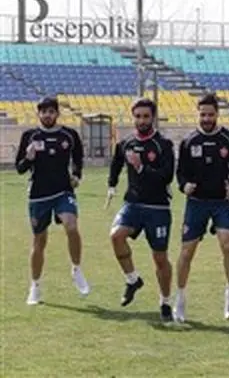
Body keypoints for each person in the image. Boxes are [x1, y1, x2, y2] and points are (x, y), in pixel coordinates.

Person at [174, 94, 229, 323]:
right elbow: (180, 173)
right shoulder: (189, 141)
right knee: (187, 252)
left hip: (222, 202)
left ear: (217, 114)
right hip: (197, 203)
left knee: (228, 244)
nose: (206, 119)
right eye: (203, 114)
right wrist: (184, 186)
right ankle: (180, 298)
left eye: (210, 114)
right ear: (198, 114)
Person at [15, 96, 90, 305]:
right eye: (44, 112)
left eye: (51, 111)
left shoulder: (69, 135)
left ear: (57, 113)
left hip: (63, 192)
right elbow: (20, 168)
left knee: (71, 226)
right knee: (39, 241)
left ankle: (76, 269)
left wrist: (77, 175)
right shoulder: (30, 136)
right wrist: (28, 158)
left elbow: (78, 158)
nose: (47, 115)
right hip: (38, 195)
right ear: (38, 114)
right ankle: (35, 286)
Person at [106, 98, 176, 322]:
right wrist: (112, 184)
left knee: (160, 258)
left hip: (158, 207)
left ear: (153, 117)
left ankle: (165, 302)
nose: (142, 120)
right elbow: (116, 162)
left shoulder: (163, 145)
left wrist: (141, 167)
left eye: (146, 116)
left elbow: (167, 176)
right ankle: (133, 280)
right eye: (138, 116)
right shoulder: (126, 143)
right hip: (133, 204)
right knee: (116, 236)